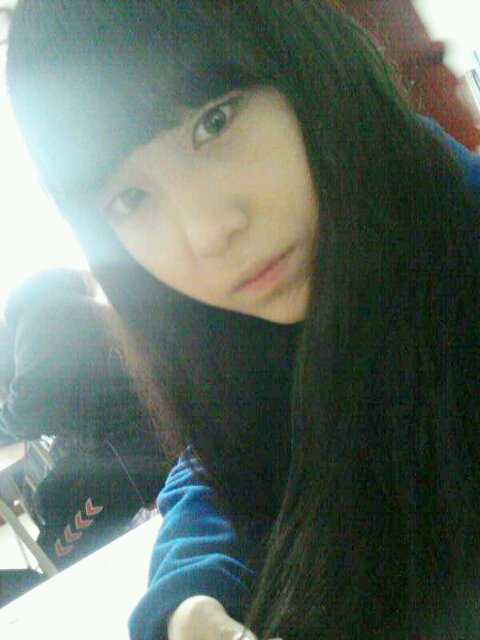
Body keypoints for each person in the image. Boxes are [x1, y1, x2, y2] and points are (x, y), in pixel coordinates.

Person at [5, 1, 479, 638]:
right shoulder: (264, 318)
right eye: (129, 198)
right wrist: (187, 600)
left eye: (215, 122)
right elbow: (224, 455)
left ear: (306, 60)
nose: (207, 232)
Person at [0, 268, 168, 567]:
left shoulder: (39, 320)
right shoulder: (64, 309)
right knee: (50, 494)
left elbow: (27, 406)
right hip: (136, 437)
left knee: (58, 555)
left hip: (135, 451)